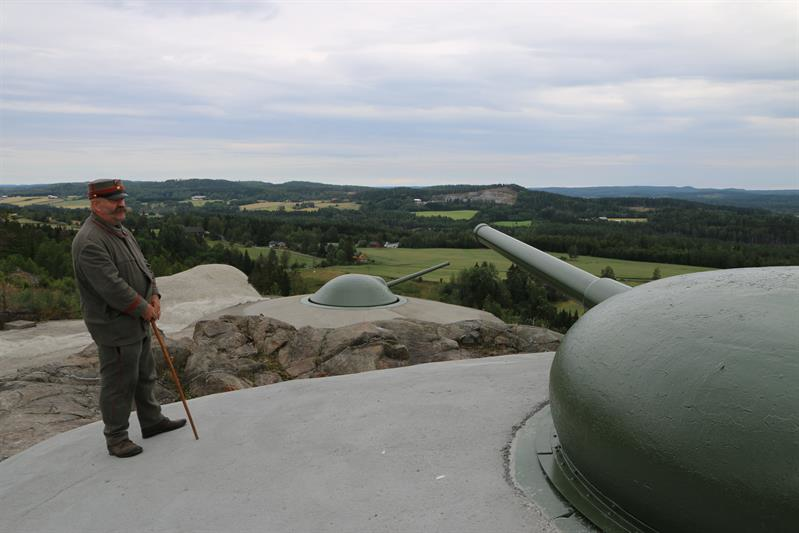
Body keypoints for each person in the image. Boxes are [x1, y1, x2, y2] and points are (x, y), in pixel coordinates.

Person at [72, 178, 185, 458]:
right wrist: (143, 307)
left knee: (145, 374)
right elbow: (111, 287)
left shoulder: (119, 230)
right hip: (114, 325)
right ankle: (117, 438)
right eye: (114, 201)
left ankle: (152, 421)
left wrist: (154, 294)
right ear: (96, 204)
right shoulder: (90, 241)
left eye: (122, 199)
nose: (121, 204)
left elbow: (144, 266)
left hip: (137, 319)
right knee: (119, 383)